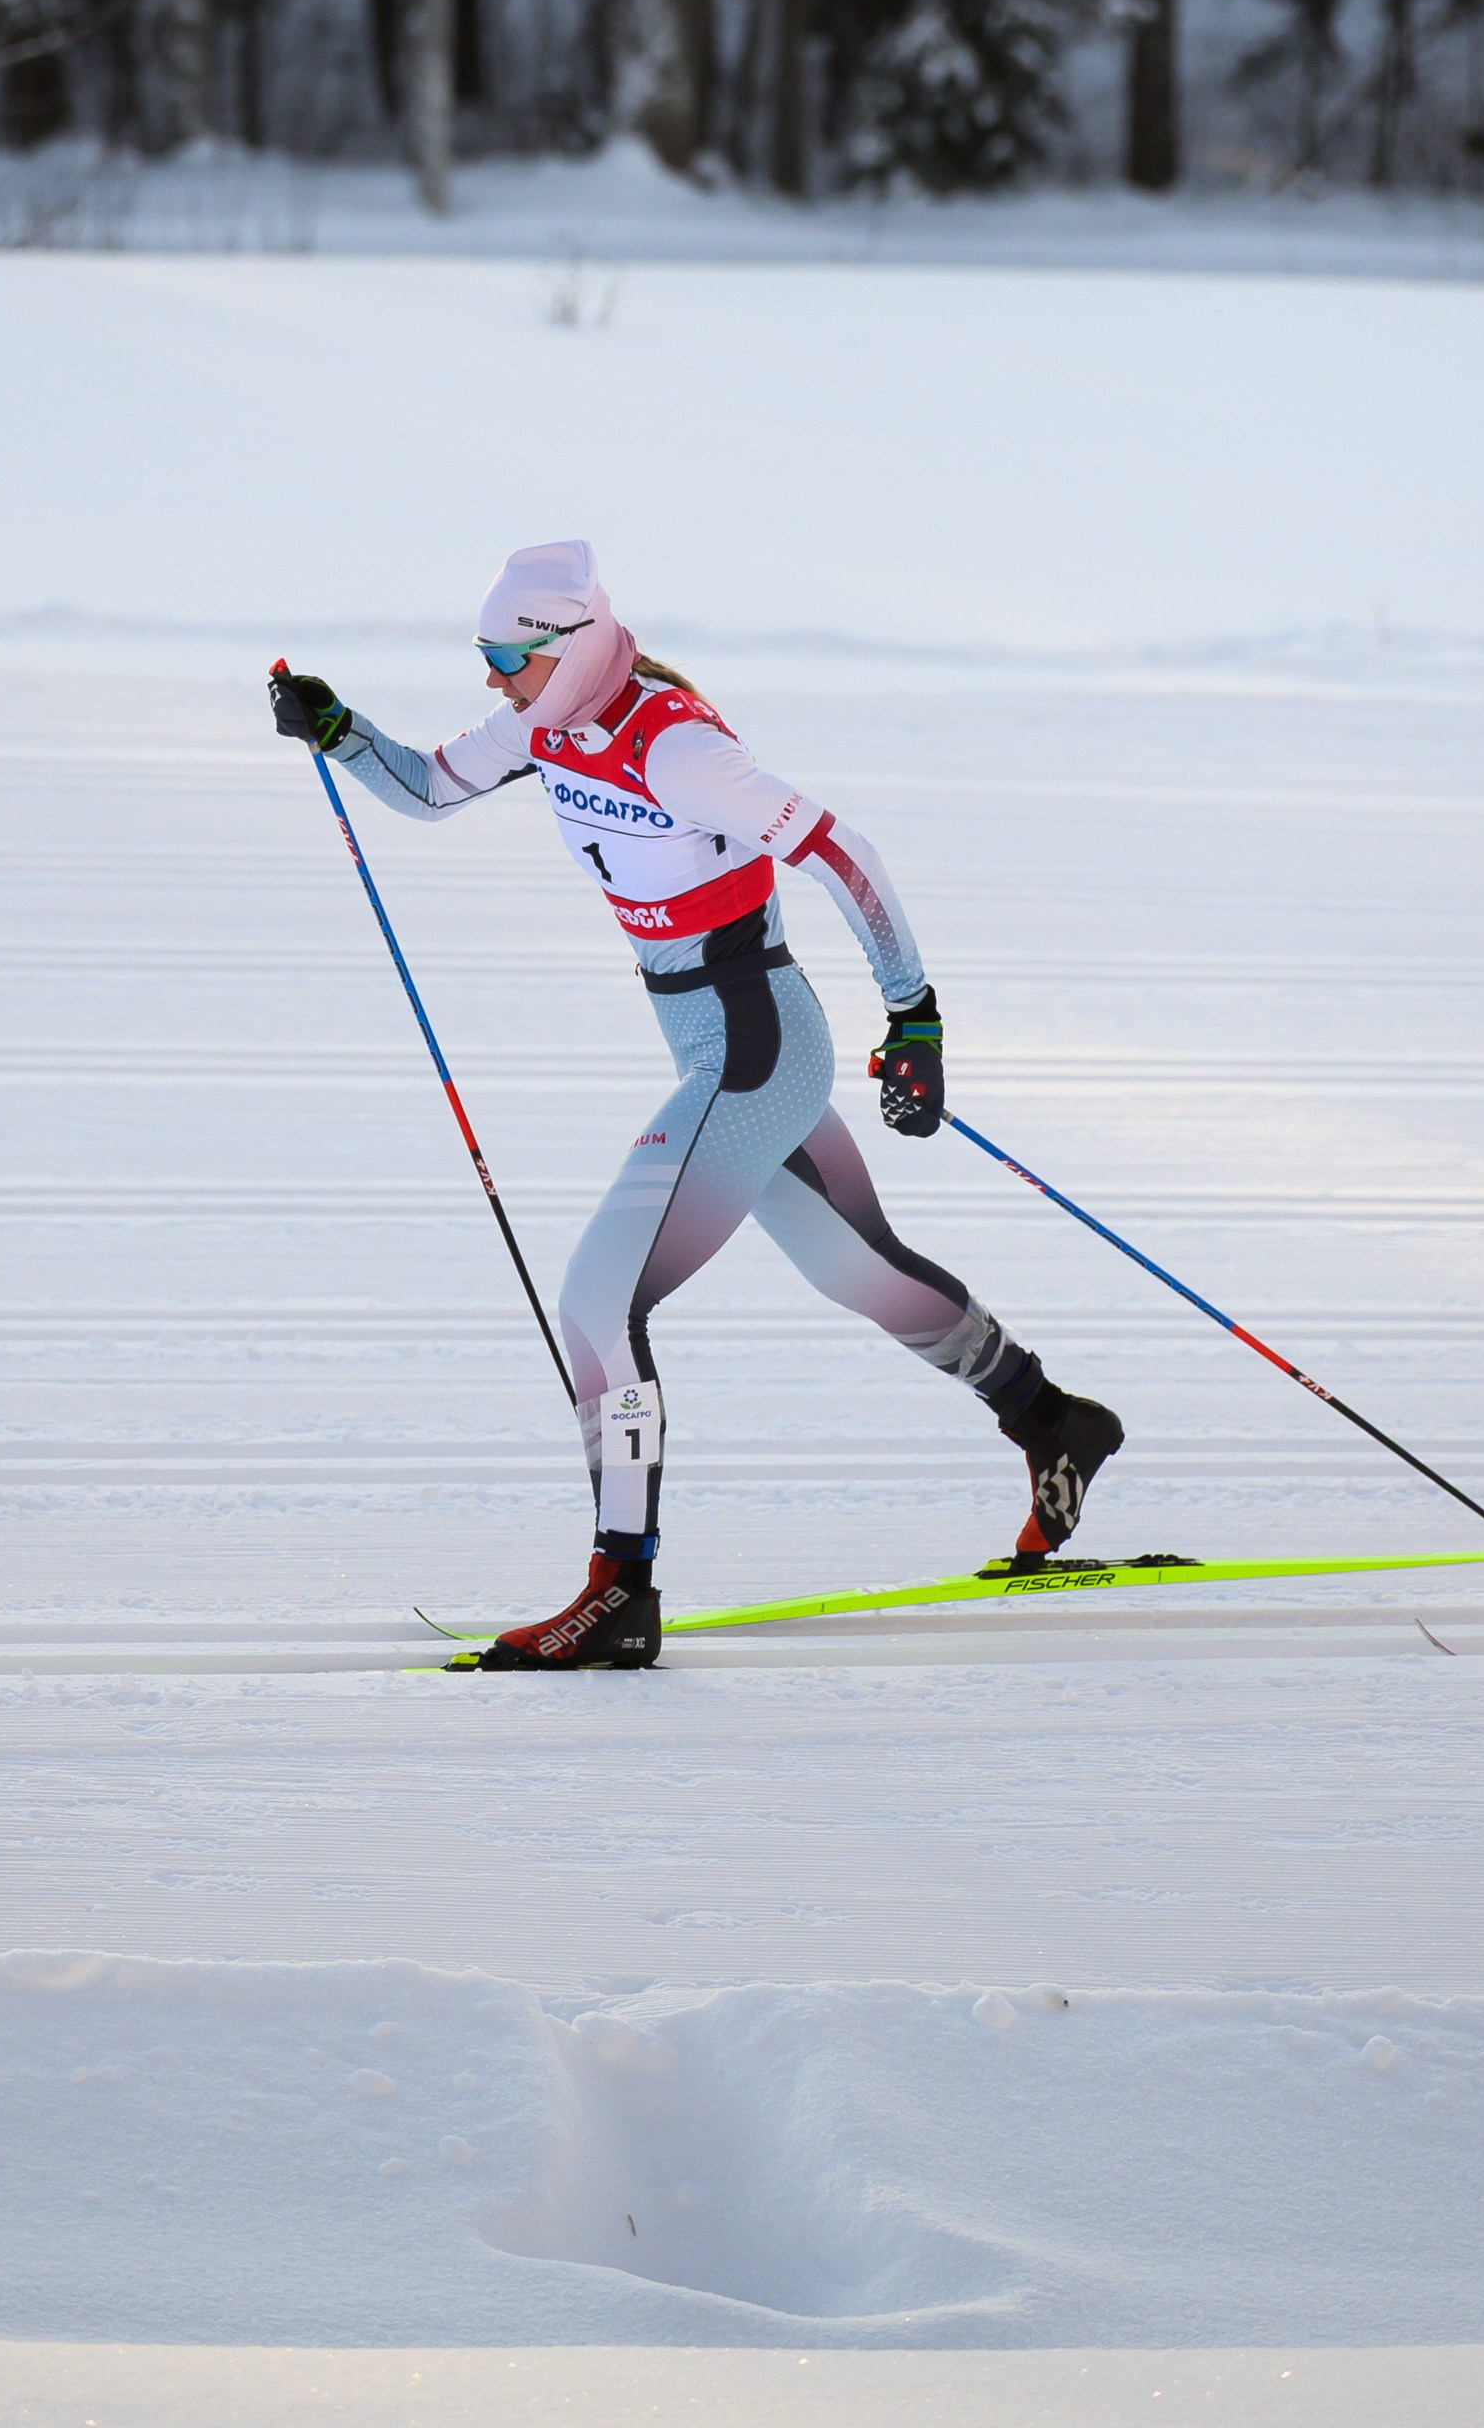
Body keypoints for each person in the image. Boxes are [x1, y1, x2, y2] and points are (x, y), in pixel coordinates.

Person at [270, 539, 1123, 1670]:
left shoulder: (673, 745)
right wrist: (338, 730)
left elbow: (845, 855)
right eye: (483, 655)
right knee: (857, 1270)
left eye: (507, 657)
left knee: (597, 1301)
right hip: (723, 1043)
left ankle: (619, 1591)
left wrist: (913, 1016)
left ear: (570, 646)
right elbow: (428, 787)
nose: (491, 678)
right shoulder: (549, 721)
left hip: (756, 1048)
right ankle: (1053, 1420)